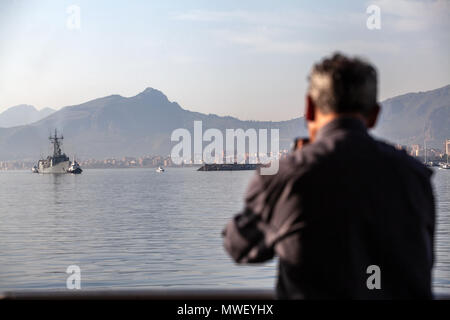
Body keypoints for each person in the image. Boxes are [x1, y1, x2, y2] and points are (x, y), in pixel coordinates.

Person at [222, 53, 435, 299]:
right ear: (374, 115)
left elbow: (238, 246)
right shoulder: (416, 176)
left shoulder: (287, 175)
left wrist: (286, 173)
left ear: (309, 108)